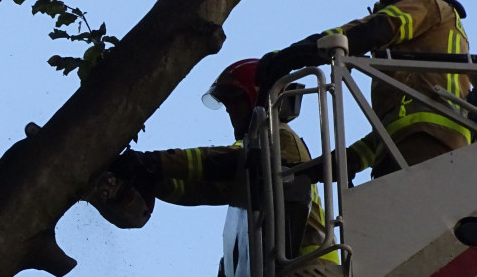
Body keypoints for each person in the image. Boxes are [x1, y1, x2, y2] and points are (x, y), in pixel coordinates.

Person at [256, 0, 472, 180]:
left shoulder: (426, 2)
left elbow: (377, 28)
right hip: (416, 146)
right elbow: (384, 134)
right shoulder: (420, 75)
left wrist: (301, 50)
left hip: (422, 143)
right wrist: (340, 163)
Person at [91, 58, 329, 259]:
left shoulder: (277, 134)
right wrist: (155, 178)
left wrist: (153, 162)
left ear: (257, 97)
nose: (229, 110)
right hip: (285, 273)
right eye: (225, 103)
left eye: (234, 99)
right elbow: (205, 188)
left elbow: (227, 162)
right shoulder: (254, 153)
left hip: (309, 266)